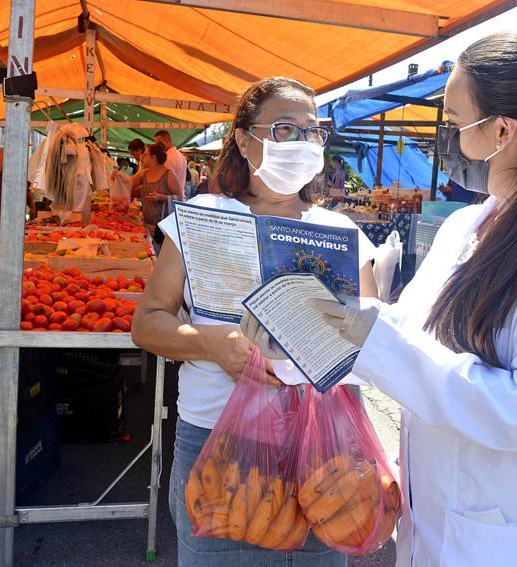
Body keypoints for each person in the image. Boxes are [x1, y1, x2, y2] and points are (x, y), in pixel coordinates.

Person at [252, 30, 517, 567]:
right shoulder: (468, 224)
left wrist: (364, 331)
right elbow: (408, 337)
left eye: (452, 123)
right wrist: (306, 338)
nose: (446, 139)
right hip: (441, 518)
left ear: (501, 131)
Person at [131, 76, 377, 567]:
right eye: (285, 129)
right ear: (244, 139)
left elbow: (372, 345)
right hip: (219, 440)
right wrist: (211, 344)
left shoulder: (342, 232)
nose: (302, 144)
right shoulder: (199, 218)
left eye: (313, 131)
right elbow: (148, 323)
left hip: (320, 448)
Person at [132, 143, 184, 247]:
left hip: (162, 230)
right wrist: (119, 176)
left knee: (159, 257)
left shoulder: (168, 174)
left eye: (145, 154)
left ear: (153, 158)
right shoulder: (144, 173)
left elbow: (180, 198)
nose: (142, 157)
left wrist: (162, 197)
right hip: (146, 225)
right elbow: (129, 183)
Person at [0, 147, 36, 225]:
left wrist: (32, 207)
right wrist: (10, 146)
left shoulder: (20, 165)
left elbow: (26, 189)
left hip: (16, 215)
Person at [155, 129, 188, 195]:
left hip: (170, 199)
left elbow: (165, 182)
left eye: (158, 143)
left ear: (166, 141)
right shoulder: (180, 155)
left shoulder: (167, 157)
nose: (157, 146)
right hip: (179, 197)